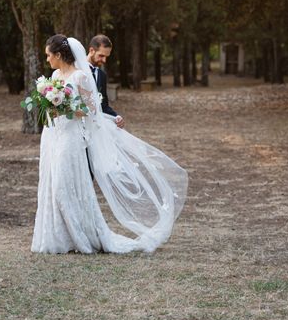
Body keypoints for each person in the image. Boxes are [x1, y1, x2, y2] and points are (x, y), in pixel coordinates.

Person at [31, 34, 188, 254]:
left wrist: (67, 109)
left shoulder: (80, 78)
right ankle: (60, 236)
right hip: (53, 135)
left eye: (48, 55)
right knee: (52, 181)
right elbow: (51, 104)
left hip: (71, 138)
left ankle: (80, 234)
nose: (47, 59)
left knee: (63, 185)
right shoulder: (55, 75)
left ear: (58, 54)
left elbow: (91, 110)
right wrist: (50, 106)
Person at [86, 34, 124, 128]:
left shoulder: (102, 75)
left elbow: (103, 105)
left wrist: (116, 116)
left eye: (106, 56)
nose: (104, 60)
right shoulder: (76, 71)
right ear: (91, 50)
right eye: (101, 55)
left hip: (96, 127)